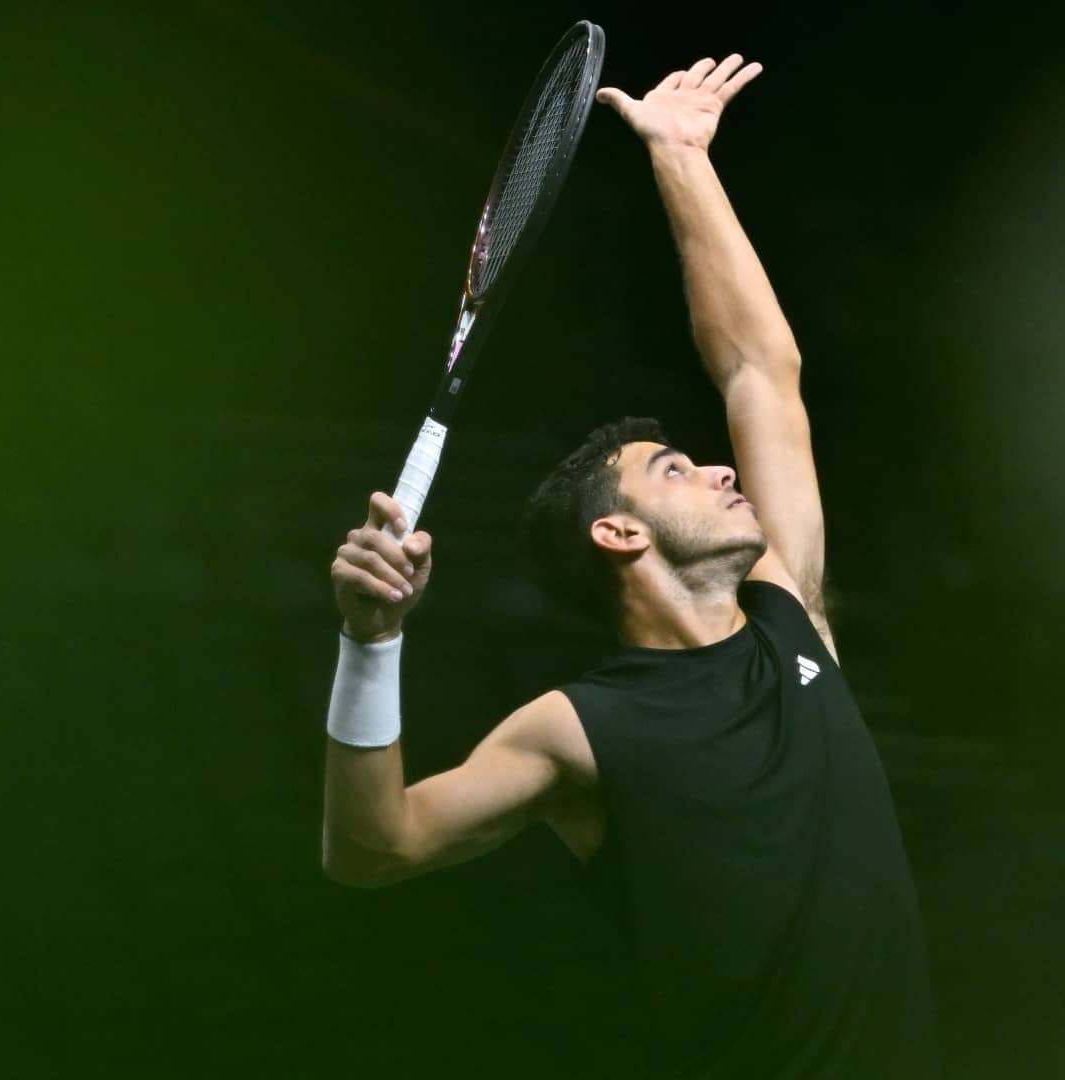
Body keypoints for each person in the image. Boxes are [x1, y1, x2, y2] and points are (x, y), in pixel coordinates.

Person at [322, 54, 940, 1078]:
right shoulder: (577, 728)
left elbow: (759, 370)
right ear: (619, 534)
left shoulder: (788, 611)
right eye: (673, 468)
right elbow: (373, 848)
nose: (718, 468)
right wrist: (369, 643)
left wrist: (681, 157)